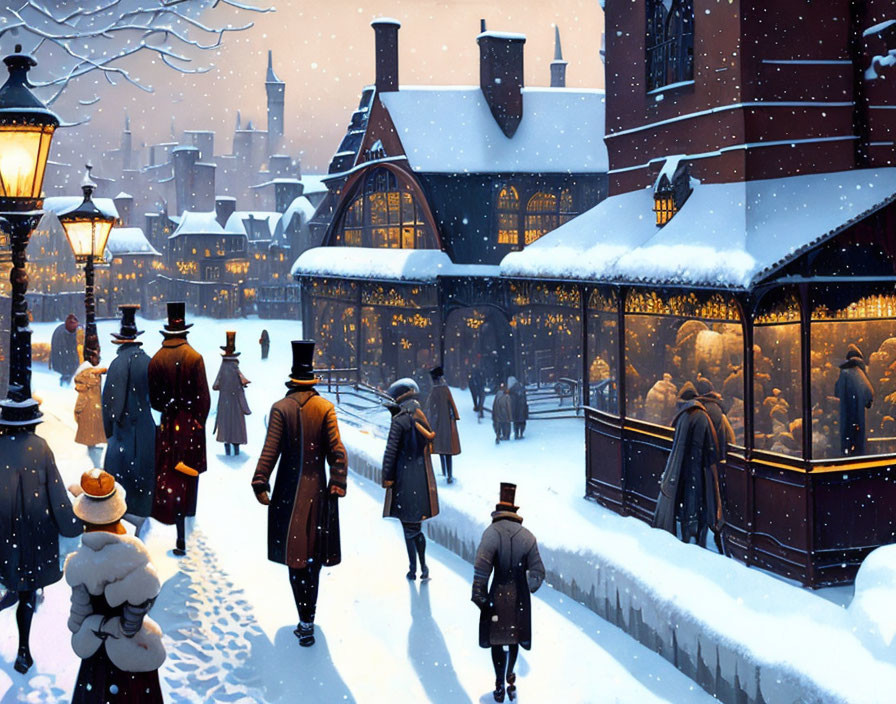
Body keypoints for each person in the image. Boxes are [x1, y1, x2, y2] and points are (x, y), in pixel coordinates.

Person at [252, 340, 347, 647]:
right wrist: (337, 482)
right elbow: (338, 452)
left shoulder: (281, 408)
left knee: (296, 562)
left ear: (292, 381)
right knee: (314, 560)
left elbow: (271, 450)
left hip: (288, 496)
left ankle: (304, 620)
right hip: (318, 494)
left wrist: (260, 481)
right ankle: (309, 619)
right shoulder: (325, 408)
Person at [65, 469, 165, 703]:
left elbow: (76, 621)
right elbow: (132, 622)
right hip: (132, 655)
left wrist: (98, 624)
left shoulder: (78, 564)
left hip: (96, 656)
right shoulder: (135, 557)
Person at [0, 398, 82, 674]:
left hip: (2, 531)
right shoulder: (40, 448)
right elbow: (57, 493)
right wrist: (72, 524)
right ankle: (23, 650)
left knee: (7, 577)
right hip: (35, 532)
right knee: (27, 590)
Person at [472, 483, 545, 703]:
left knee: (496, 640)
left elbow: (481, 568)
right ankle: (511, 676)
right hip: (519, 598)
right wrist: (529, 586)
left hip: (497, 596)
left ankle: (498, 683)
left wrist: (480, 596)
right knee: (514, 639)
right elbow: (538, 572)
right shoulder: (528, 537)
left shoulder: (491, 533)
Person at [148, 301, 210, 556]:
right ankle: (188, 515)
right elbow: (204, 399)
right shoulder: (195, 358)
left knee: (170, 476)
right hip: (190, 428)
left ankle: (176, 522)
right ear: (185, 332)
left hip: (168, 427)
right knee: (189, 474)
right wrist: (196, 422)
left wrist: (168, 411)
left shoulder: (156, 360)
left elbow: (154, 401)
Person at [102, 305, 156, 536]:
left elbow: (110, 406)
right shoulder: (149, 361)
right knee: (143, 473)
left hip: (124, 430)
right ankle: (142, 513)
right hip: (146, 428)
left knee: (120, 476)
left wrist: (109, 432)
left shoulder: (117, 364)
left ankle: (123, 517)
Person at [652, 382, 725, 551]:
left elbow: (695, 451)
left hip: (695, 471)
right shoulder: (700, 415)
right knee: (699, 503)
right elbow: (709, 450)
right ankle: (695, 533)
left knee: (694, 501)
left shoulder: (691, 416)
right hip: (701, 470)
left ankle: (692, 532)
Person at [382, 378, 440, 581]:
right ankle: (422, 566)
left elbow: (391, 452)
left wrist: (387, 479)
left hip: (404, 480)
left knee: (408, 527)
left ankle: (413, 567)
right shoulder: (420, 417)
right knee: (417, 526)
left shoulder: (399, 421)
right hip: (421, 480)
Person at [213, 331, 251, 456]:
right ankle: (235, 451)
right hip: (234, 402)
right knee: (235, 428)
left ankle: (229, 451)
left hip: (225, 402)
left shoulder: (224, 367)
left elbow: (216, 385)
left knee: (227, 428)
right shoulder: (234, 368)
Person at [835, 344, 874, 456]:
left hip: (847, 412)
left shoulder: (845, 373)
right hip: (860, 414)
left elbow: (838, 392)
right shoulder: (861, 374)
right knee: (858, 438)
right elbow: (869, 396)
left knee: (847, 437)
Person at [426, 366, 461, 483]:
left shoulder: (434, 391)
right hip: (447, 423)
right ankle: (449, 474)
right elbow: (452, 404)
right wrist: (454, 416)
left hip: (438, 424)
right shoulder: (446, 389)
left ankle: (445, 473)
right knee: (448, 450)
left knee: (441, 449)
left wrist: (430, 422)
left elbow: (431, 409)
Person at [74, 348, 107, 467]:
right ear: (91, 358)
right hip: (92, 410)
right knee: (94, 439)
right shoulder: (91, 375)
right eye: (97, 357)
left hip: (89, 409)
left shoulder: (86, 373)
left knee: (92, 440)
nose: (99, 359)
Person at [50, 313, 80, 385]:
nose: (75, 326)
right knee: (65, 375)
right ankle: (63, 387)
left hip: (69, 361)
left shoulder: (74, 332)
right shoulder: (61, 333)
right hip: (62, 361)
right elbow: (60, 350)